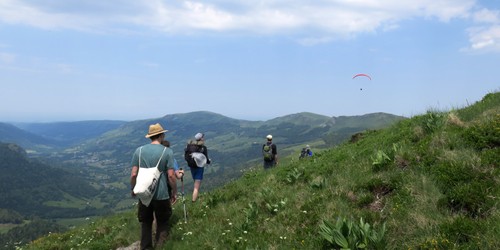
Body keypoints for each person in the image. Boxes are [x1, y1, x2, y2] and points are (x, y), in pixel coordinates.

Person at [130, 123, 177, 250]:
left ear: (150, 136)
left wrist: (134, 189)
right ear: (161, 135)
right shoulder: (167, 152)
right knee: (162, 222)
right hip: (161, 194)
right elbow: (171, 176)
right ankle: (160, 247)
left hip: (144, 194)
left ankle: (145, 247)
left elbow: (133, 174)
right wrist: (174, 192)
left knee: (146, 222)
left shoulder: (138, 151)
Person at [184, 132, 211, 202]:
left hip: (192, 166)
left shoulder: (190, 146)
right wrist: (209, 161)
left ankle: (196, 197)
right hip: (199, 168)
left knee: (195, 182)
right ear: (201, 138)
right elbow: (206, 159)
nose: (203, 138)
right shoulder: (203, 148)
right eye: (203, 137)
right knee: (196, 187)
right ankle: (193, 201)